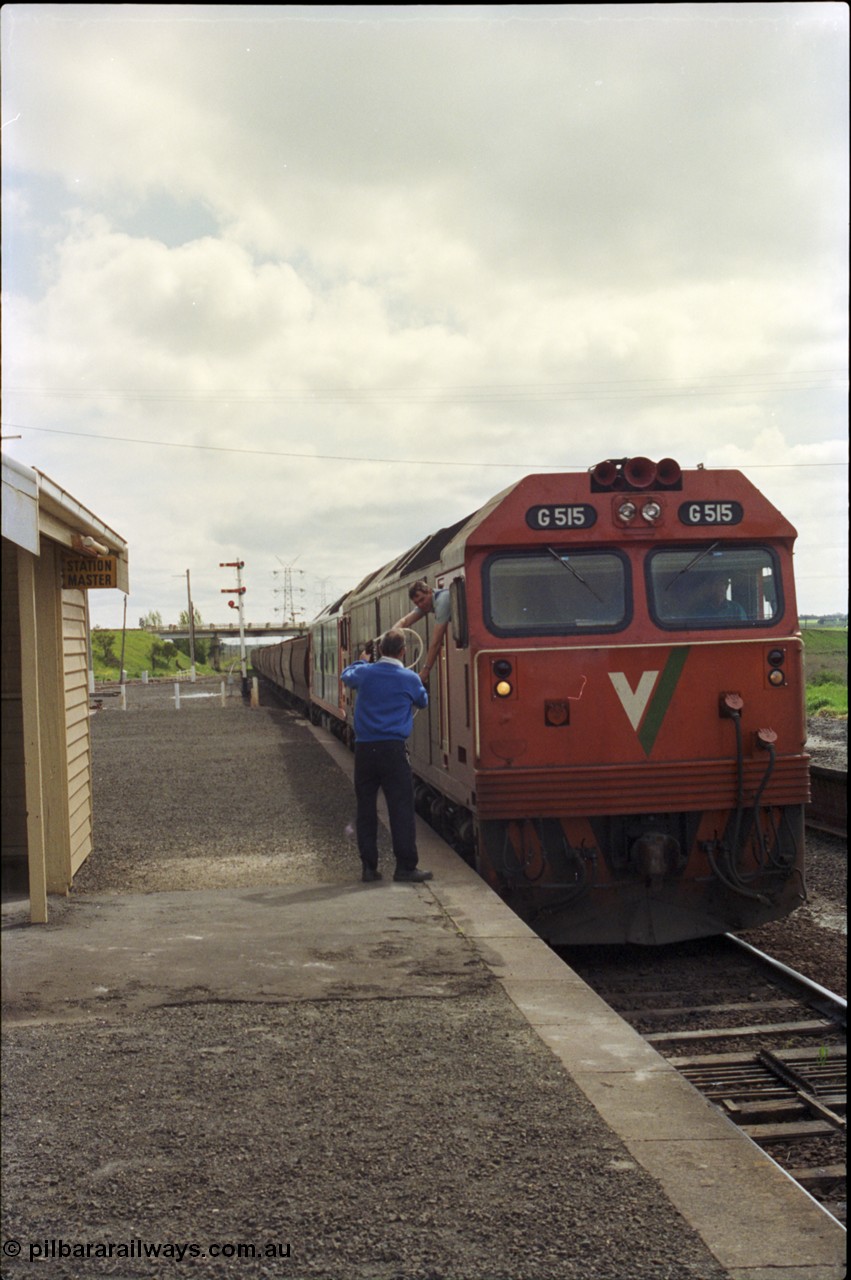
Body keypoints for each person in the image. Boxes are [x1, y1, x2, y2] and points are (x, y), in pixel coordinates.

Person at [340, 629, 433, 884]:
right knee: (401, 808)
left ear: (379, 651)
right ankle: (405, 867)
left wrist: (361, 659)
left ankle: (369, 868)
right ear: (403, 651)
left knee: (366, 809)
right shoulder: (409, 677)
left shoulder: (365, 673)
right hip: (393, 750)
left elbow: (345, 675)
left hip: (365, 750)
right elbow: (422, 701)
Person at [394, 579, 451, 684]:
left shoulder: (442, 601)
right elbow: (405, 621)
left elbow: (436, 642)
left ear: (429, 591)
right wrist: (392, 634)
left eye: (422, 600)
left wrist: (425, 671)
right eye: (416, 603)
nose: (420, 605)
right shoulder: (428, 602)